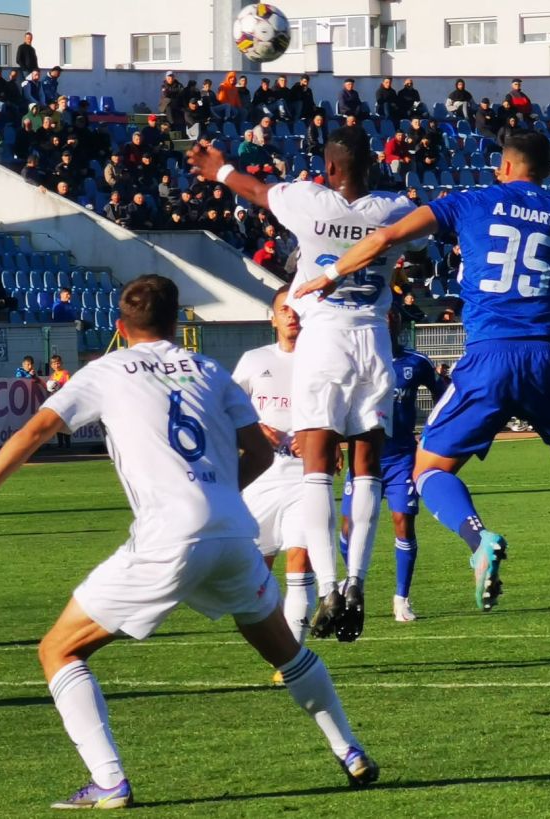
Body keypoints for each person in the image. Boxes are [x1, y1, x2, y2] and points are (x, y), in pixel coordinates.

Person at [0, 275, 379, 809]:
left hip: (168, 536)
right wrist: (216, 498)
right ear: (178, 323)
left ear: (120, 327)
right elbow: (259, 454)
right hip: (233, 530)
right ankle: (349, 749)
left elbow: (34, 431)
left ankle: (109, 781)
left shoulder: (107, 370)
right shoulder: (209, 369)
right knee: (285, 650)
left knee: (59, 649)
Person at [309, 132, 550, 625]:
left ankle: (478, 538)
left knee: (428, 471)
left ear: (504, 167)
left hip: (490, 355)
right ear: (547, 170)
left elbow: (385, 237)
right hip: (548, 356)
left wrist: (331, 273)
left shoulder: (471, 202)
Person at [189, 127, 417, 643]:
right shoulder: (394, 209)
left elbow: (255, 190)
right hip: (375, 340)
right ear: (371, 165)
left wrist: (220, 169)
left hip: (326, 340)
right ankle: (358, 582)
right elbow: (423, 235)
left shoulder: (310, 201)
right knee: (366, 468)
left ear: (330, 168)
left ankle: (331, 585)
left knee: (316, 468)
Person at [231, 286, 317, 661]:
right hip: (260, 479)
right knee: (254, 572)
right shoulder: (254, 360)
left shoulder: (322, 361)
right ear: (273, 318)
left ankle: (293, 657)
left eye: (297, 308)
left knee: (300, 559)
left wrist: (323, 441)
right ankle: (275, 642)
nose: (291, 314)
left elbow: (344, 410)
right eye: (284, 309)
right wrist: (253, 428)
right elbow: (228, 408)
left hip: (306, 477)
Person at [338, 309, 440, 623]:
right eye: (382, 317)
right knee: (348, 528)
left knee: (402, 522)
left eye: (392, 317)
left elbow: (444, 398)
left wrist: (431, 436)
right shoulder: (355, 361)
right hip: (363, 457)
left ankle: (401, 599)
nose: (387, 322)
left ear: (398, 324)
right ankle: (353, 583)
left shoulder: (416, 363)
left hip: (402, 460)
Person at [46, 354, 73, 449]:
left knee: (65, 422)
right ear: (51, 365)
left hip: (64, 401)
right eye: (54, 364)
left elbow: (69, 386)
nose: (56, 365)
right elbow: (50, 388)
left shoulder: (65, 373)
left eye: (58, 363)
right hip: (56, 401)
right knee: (57, 423)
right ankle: (60, 443)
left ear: (61, 363)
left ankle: (67, 443)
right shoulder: (52, 376)